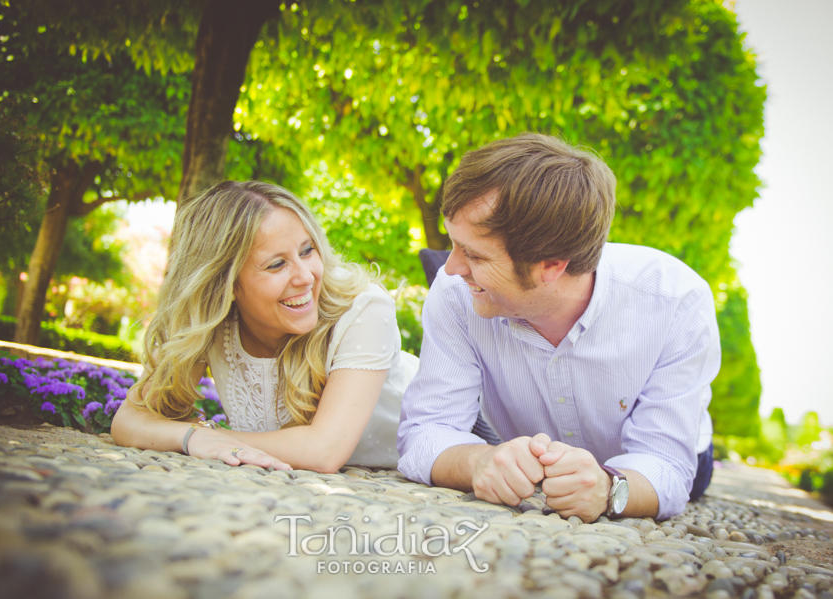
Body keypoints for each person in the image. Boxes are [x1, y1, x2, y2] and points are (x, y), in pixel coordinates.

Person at [397, 133, 720, 522]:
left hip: (654, 459)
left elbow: (666, 465)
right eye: (454, 244)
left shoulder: (676, 300)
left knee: (689, 480)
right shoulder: (453, 294)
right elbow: (426, 430)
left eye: (475, 255)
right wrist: (479, 460)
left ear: (551, 264)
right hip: (527, 455)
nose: (449, 268)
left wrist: (608, 487)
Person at [112, 181, 418, 472]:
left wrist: (208, 436)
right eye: (276, 264)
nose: (305, 277)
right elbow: (128, 421)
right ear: (226, 284)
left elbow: (324, 452)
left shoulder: (364, 308)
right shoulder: (211, 323)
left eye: (307, 251)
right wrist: (193, 437)